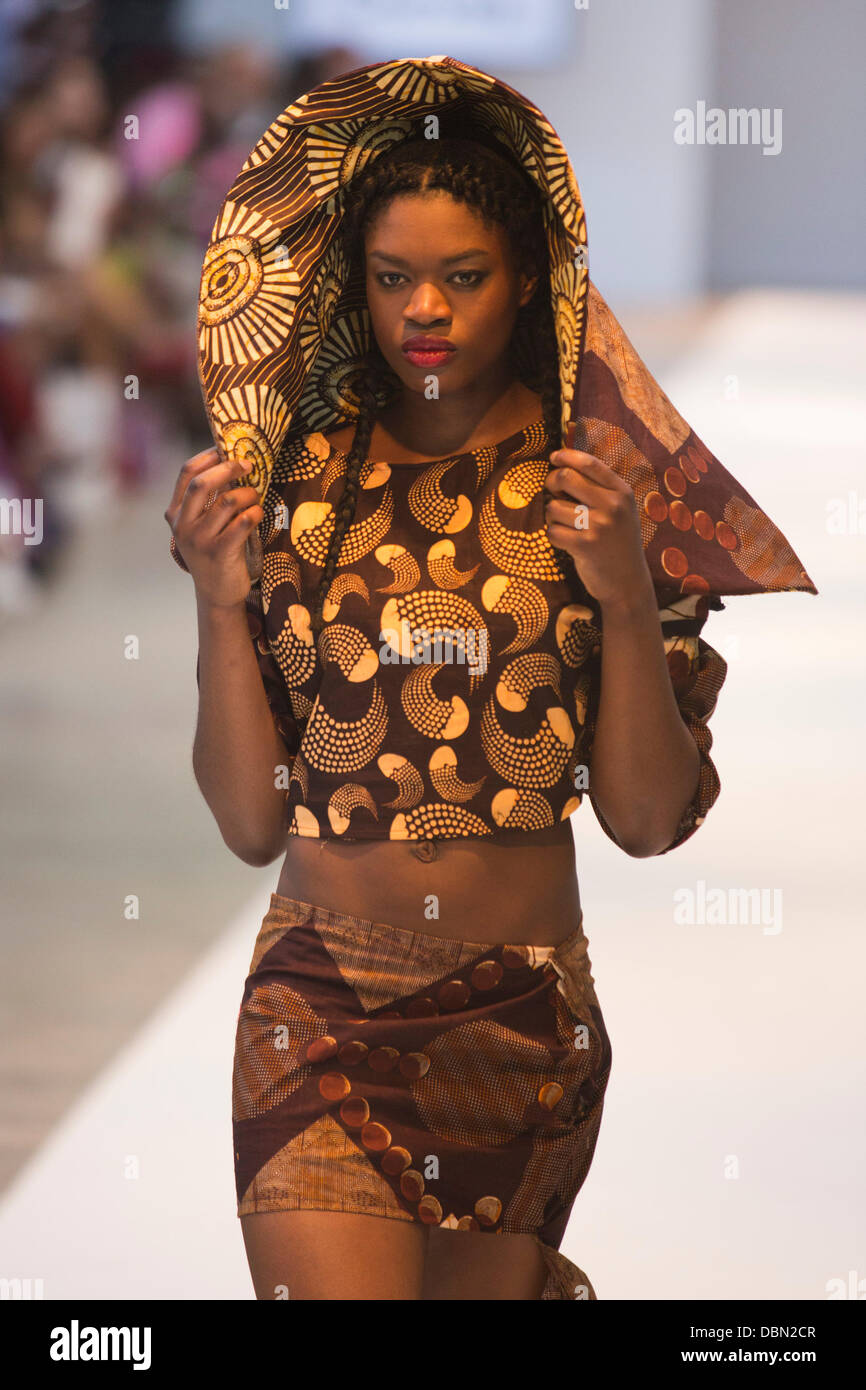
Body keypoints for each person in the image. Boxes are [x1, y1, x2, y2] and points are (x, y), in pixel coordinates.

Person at [164, 57, 816, 1301]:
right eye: (394, 276)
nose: (425, 310)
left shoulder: (601, 497)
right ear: (353, 286)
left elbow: (640, 818)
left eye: (462, 278)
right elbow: (250, 823)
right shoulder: (289, 490)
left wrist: (626, 588)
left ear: (527, 284)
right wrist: (213, 596)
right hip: (316, 1004)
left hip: (518, 1016)